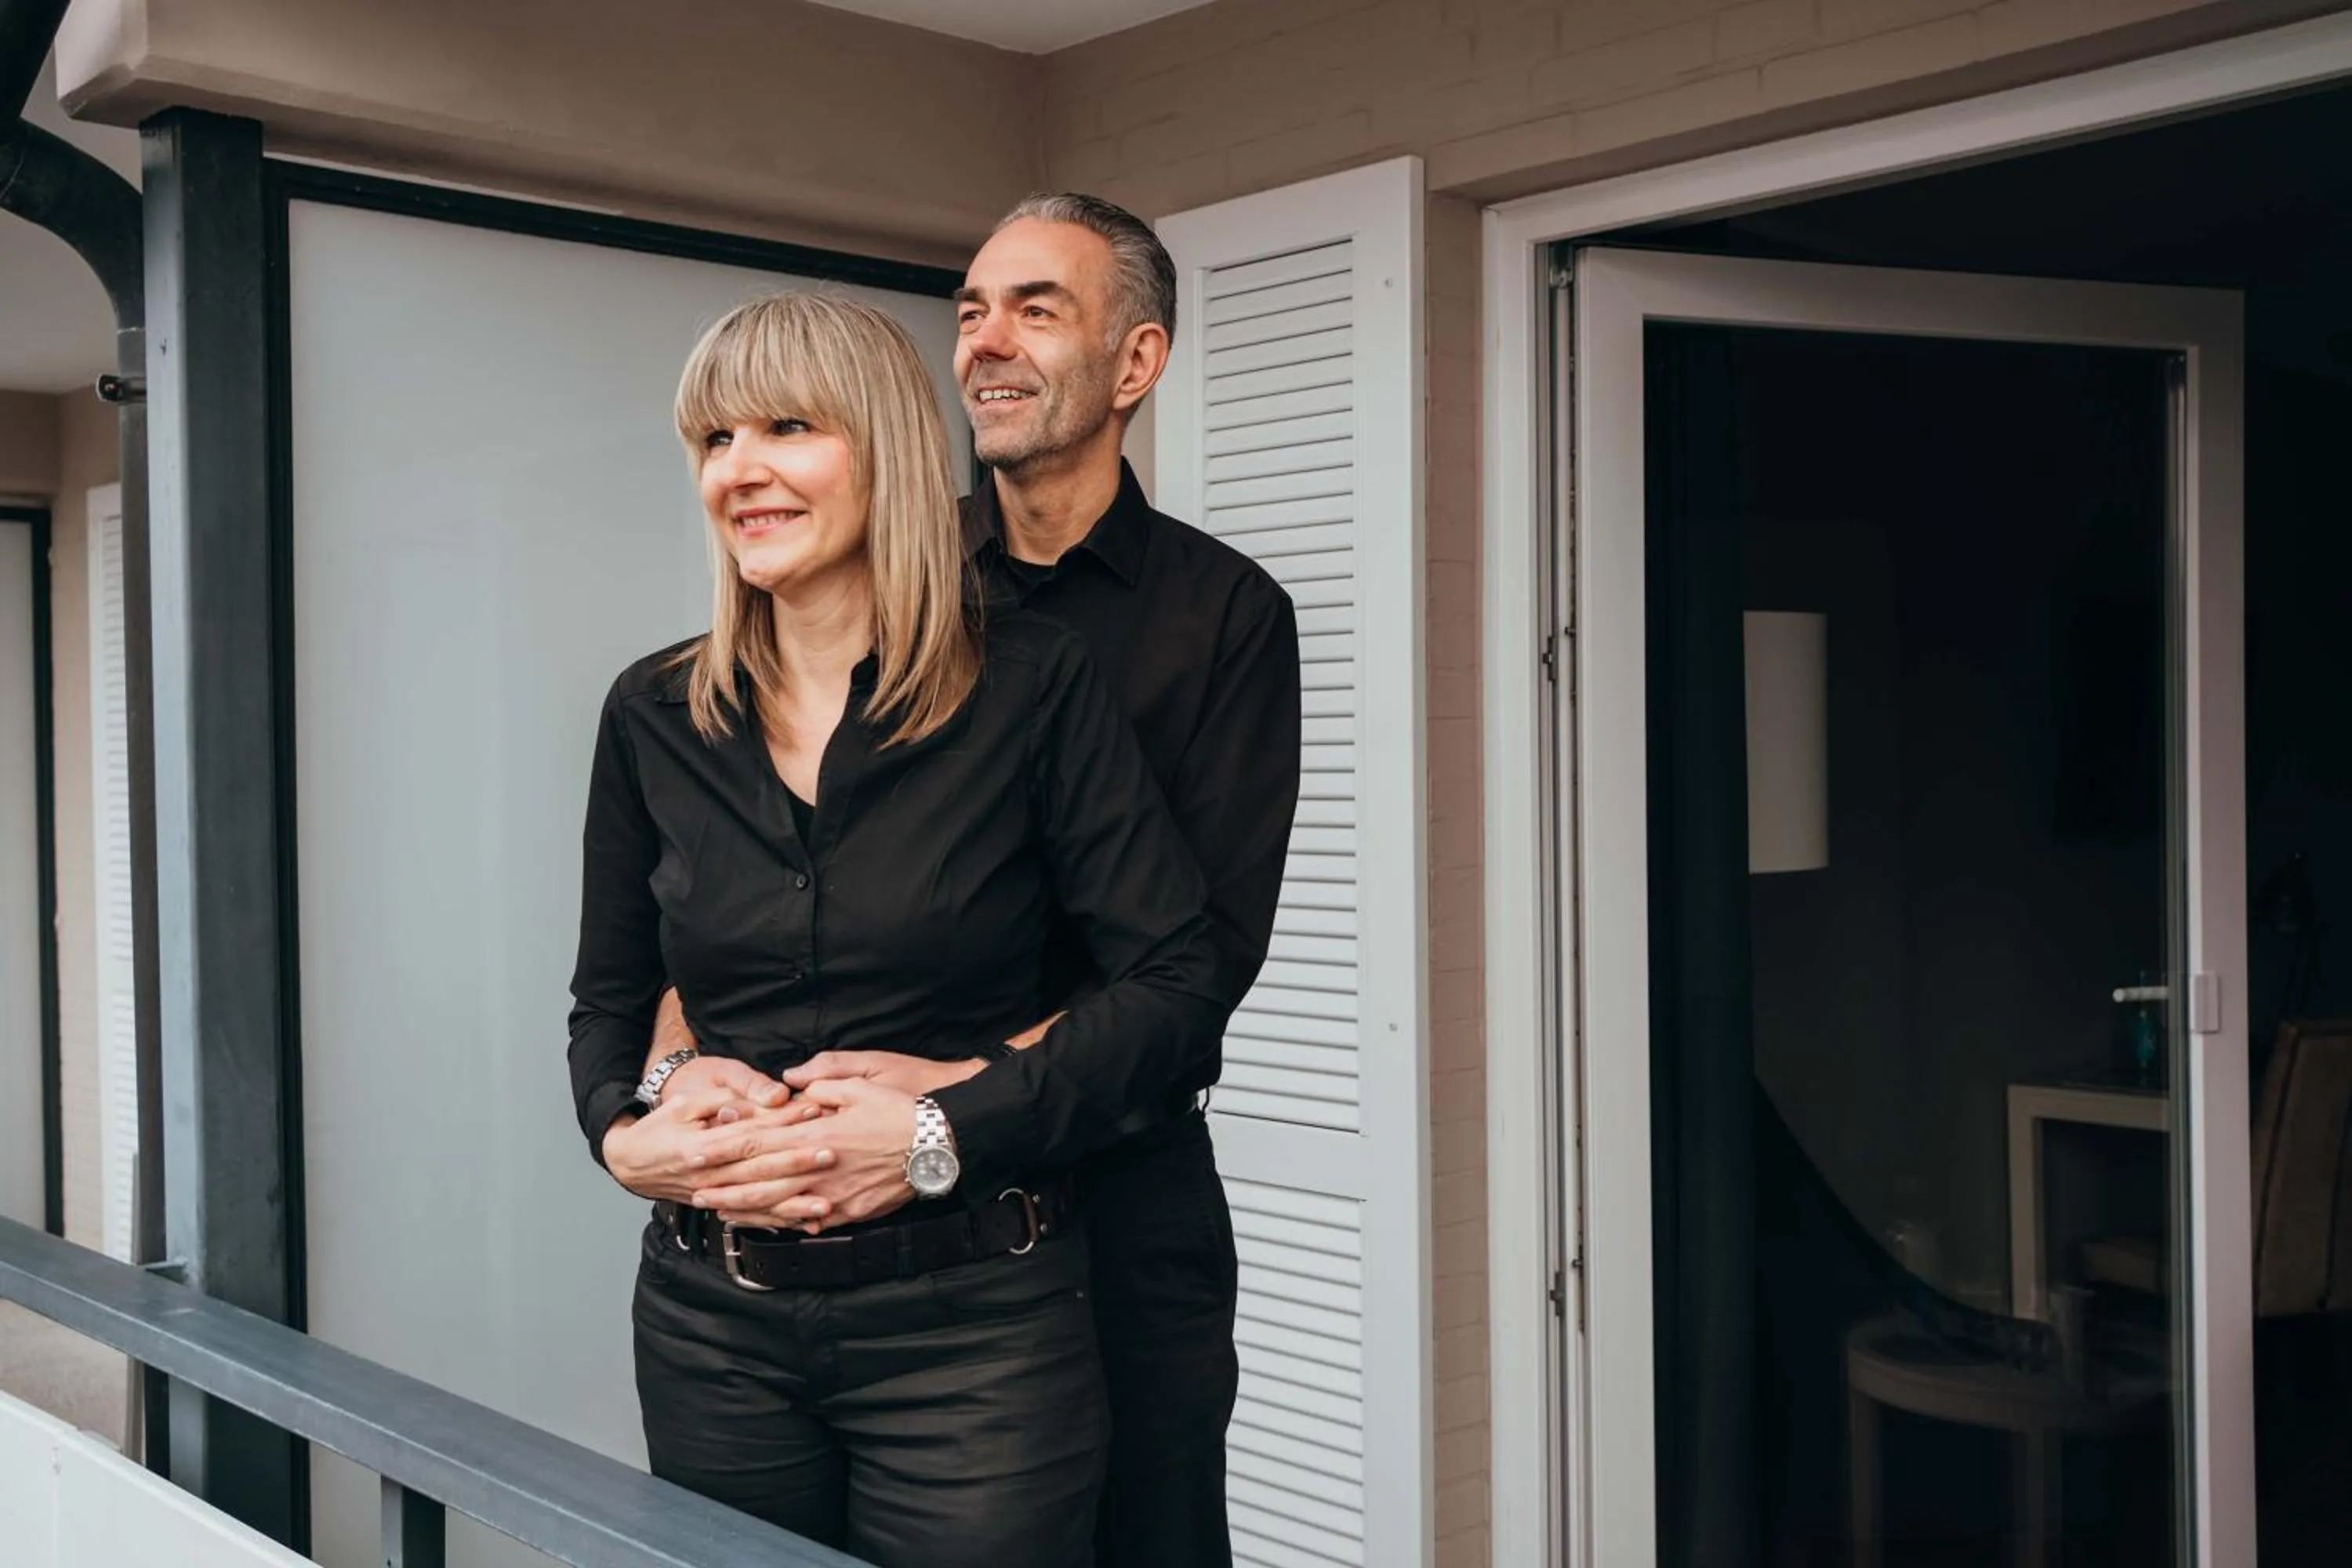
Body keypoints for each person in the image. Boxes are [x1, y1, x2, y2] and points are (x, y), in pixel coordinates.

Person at [645, 194, 1303, 1566]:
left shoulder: (1223, 617)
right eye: (970, 309)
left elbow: (1203, 957)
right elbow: (726, 877)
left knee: (1151, 1538)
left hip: (1116, 1180)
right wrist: (676, 1096)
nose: (987, 343)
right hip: (862, 1226)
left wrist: (951, 1110)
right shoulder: (867, 572)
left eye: (1037, 308)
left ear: (1136, 364)